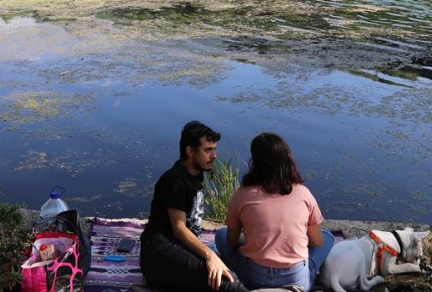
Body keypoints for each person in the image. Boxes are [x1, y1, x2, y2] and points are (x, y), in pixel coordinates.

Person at [215, 133, 334, 292]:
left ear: (255, 162)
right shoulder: (303, 193)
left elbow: (231, 241)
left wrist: (254, 238)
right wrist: (291, 238)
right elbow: (316, 242)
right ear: (287, 160)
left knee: (221, 235)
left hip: (254, 279)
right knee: (326, 237)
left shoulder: (241, 194)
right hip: (296, 281)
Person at [140, 121, 248, 292]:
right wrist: (209, 255)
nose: (214, 156)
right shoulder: (174, 180)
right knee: (227, 281)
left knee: (226, 272)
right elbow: (179, 228)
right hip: (159, 251)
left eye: (214, 149)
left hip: (180, 248)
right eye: (208, 150)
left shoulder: (196, 173)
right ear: (190, 151)